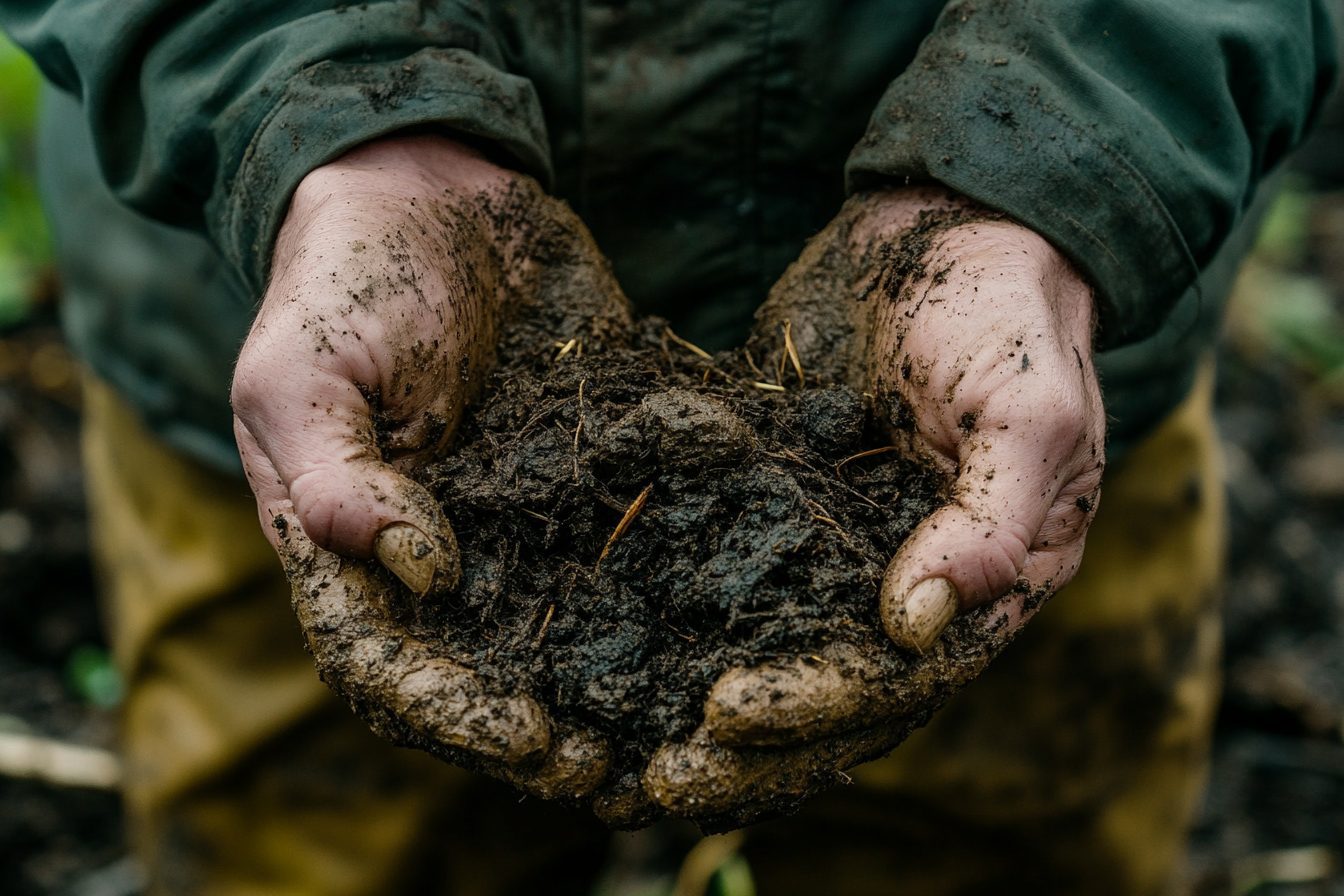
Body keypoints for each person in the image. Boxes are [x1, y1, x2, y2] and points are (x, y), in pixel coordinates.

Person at [5, 2, 1337, 893]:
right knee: (319, 855)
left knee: (987, 847)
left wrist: (1055, 158)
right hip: (315, 320)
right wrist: (322, 112)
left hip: (1004, 381)